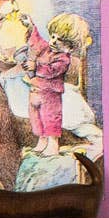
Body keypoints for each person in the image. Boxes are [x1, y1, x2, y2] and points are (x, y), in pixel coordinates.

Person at [22, 13, 91, 156]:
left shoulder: (63, 59)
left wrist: (34, 67)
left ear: (69, 47)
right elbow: (37, 42)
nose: (53, 41)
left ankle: (53, 146)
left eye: (59, 40)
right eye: (53, 36)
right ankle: (41, 142)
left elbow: (51, 71)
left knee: (50, 119)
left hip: (50, 94)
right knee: (36, 118)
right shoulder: (47, 48)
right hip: (36, 90)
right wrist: (30, 26)